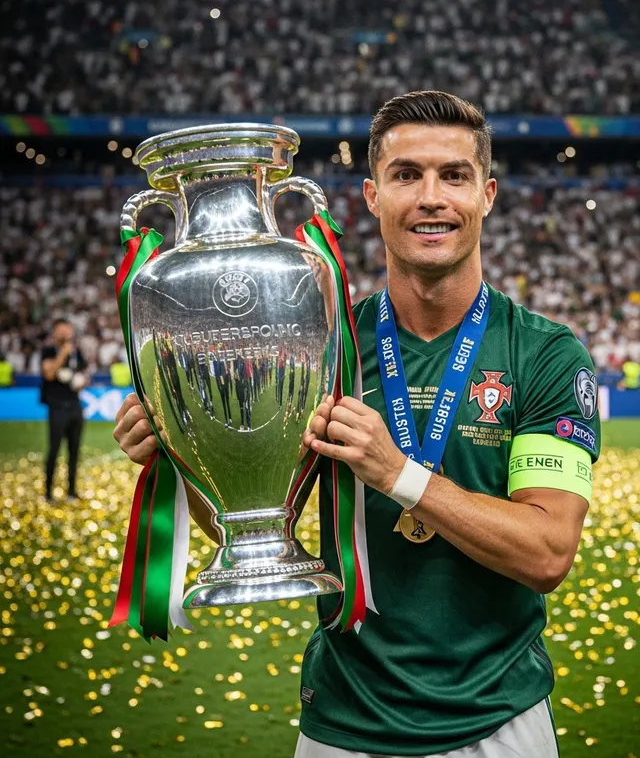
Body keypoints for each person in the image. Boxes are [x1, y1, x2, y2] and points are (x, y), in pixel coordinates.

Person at [113, 91, 601, 758]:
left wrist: (398, 474)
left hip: (501, 721)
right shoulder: (320, 341)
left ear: (487, 194)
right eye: (407, 175)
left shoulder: (544, 353)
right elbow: (265, 520)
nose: (432, 197)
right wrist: (179, 457)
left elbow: (548, 552)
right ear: (372, 196)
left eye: (453, 175)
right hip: (343, 725)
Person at [41, 318, 88, 501]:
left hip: (75, 406)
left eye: (67, 329)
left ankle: (71, 491)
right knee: (54, 449)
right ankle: (47, 492)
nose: (64, 333)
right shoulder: (49, 351)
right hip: (57, 406)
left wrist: (82, 382)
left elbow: (84, 374)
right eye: (60, 330)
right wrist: (63, 353)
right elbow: (49, 374)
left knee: (74, 450)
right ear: (54, 332)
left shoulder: (76, 353)